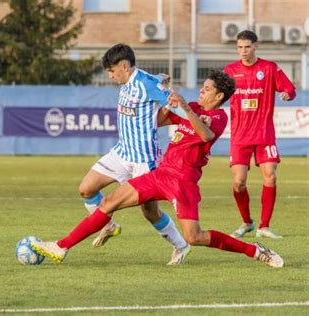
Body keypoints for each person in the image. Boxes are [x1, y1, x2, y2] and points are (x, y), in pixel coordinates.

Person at [31, 70, 284, 268]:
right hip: (160, 174)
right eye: (203, 87)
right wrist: (161, 103)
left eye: (207, 89)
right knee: (109, 202)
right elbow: (160, 121)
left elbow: (205, 135)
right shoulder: (194, 108)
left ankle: (255, 251)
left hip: (183, 183)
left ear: (218, 97)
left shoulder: (219, 117)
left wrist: (184, 107)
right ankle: (61, 247)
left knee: (194, 236)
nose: (201, 91)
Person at [79, 43, 190, 265]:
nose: (110, 76)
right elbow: (153, 80)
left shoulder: (147, 85)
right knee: (86, 189)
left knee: (150, 212)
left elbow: (177, 107)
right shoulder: (132, 80)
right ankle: (108, 225)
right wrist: (159, 78)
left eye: (111, 71)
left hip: (144, 159)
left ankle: (181, 245)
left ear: (124, 66)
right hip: (122, 152)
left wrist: (198, 121)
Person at [223, 30, 296, 239]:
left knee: (270, 177)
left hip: (264, 135)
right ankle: (247, 223)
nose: (243, 51)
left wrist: (286, 94)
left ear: (255, 46)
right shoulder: (230, 71)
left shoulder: (269, 68)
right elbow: (216, 94)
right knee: (239, 182)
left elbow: (290, 89)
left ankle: (264, 226)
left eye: (247, 47)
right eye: (239, 47)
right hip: (239, 137)